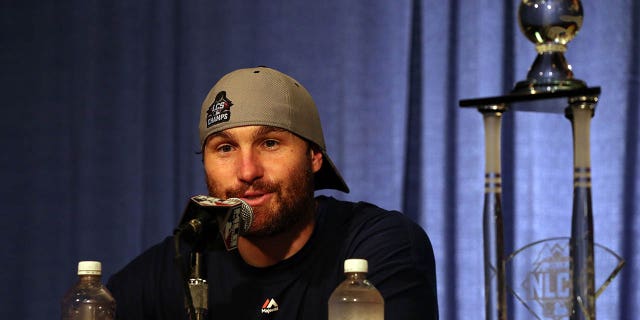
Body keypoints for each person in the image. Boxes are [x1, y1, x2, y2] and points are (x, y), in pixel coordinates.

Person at [107, 66, 439, 319]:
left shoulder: (377, 246)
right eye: (225, 148)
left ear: (314, 157)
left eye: (270, 143)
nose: (248, 170)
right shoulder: (186, 259)